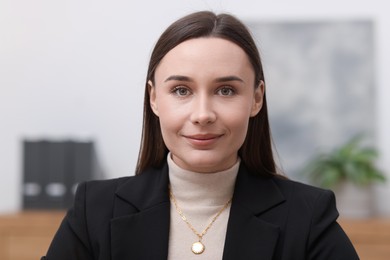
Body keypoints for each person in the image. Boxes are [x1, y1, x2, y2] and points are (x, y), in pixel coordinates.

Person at [42, 11, 359, 259]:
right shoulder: (94, 209)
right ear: (154, 98)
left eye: (226, 90)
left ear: (256, 98)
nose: (203, 114)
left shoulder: (308, 217)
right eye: (181, 90)